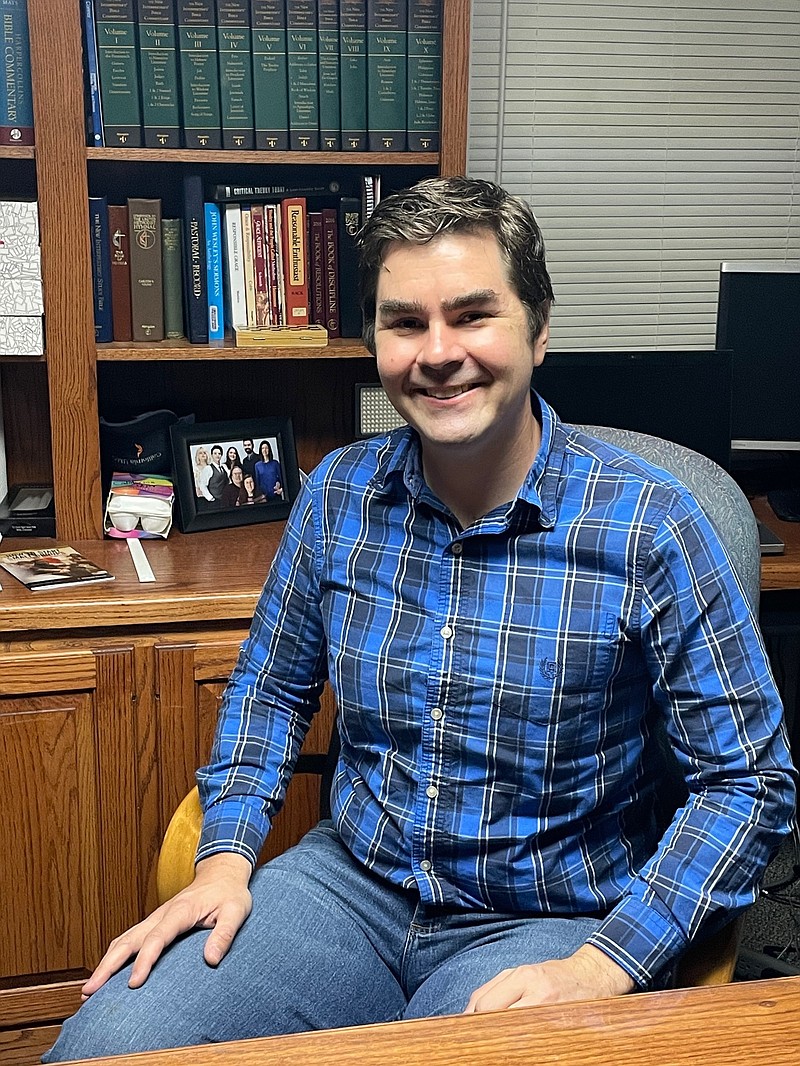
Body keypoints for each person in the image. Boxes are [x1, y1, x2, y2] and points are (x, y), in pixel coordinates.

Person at [44, 177, 796, 1061]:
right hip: (350, 891)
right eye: (405, 322)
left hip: (548, 920)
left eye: (474, 315)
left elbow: (748, 787)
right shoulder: (339, 495)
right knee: (105, 1045)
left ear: (539, 328)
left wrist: (607, 963)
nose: (438, 353)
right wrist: (226, 855)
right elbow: (271, 691)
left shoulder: (654, 527)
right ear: (375, 341)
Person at [206, 445, 228, 509]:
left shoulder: (223, 467)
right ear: (212, 455)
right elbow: (203, 485)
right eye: (215, 453)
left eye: (219, 453)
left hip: (223, 499)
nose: (217, 455)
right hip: (214, 501)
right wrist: (210, 498)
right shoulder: (208, 468)